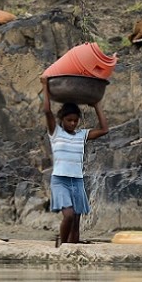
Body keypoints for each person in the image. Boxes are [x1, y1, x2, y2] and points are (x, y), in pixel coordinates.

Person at [41, 76, 108, 244]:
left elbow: (104, 129)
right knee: (69, 215)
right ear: (61, 119)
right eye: (68, 120)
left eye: (75, 120)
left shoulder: (82, 135)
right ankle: (62, 247)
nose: (72, 123)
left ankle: (73, 249)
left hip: (77, 181)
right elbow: (47, 111)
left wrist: (97, 105)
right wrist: (45, 87)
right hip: (60, 181)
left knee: (76, 223)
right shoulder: (55, 133)